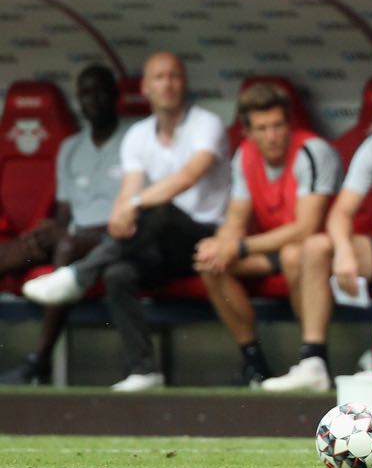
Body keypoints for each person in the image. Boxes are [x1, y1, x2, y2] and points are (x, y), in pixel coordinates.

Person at [22, 52, 231, 392]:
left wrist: (132, 205)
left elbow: (187, 177)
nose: (167, 84)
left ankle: (79, 274)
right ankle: (144, 370)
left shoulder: (205, 123)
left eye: (174, 76)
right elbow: (129, 189)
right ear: (146, 87)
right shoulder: (138, 135)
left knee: (160, 210)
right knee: (118, 273)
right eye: (159, 78)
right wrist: (121, 214)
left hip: (205, 239)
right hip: (161, 246)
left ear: (185, 83)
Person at [194, 82, 341, 387]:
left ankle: (313, 360)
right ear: (248, 132)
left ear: (288, 124)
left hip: (324, 249)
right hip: (272, 250)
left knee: (293, 253)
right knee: (209, 263)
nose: (272, 136)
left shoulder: (312, 151)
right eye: (261, 128)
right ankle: (254, 365)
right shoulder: (245, 155)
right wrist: (221, 246)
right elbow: (236, 217)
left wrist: (240, 246)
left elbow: (306, 227)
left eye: (277, 126)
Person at [0, 64, 124, 385]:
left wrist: (64, 236)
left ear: (114, 95)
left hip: (112, 239)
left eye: (98, 92)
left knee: (67, 245)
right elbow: (65, 213)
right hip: (74, 233)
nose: (91, 100)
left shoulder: (133, 140)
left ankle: (39, 360)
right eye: (84, 93)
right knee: (20, 248)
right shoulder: (70, 148)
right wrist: (44, 235)